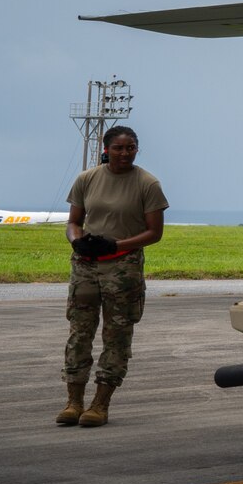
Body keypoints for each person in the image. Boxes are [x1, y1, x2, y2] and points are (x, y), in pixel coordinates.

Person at [57, 125, 167, 428]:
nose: (124, 153)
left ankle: (100, 404)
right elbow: (73, 221)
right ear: (106, 149)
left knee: (116, 337)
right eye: (118, 148)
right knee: (79, 332)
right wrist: (76, 241)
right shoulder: (87, 179)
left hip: (123, 266)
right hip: (86, 265)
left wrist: (117, 245)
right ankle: (73, 401)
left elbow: (154, 233)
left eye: (130, 147)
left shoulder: (147, 183)